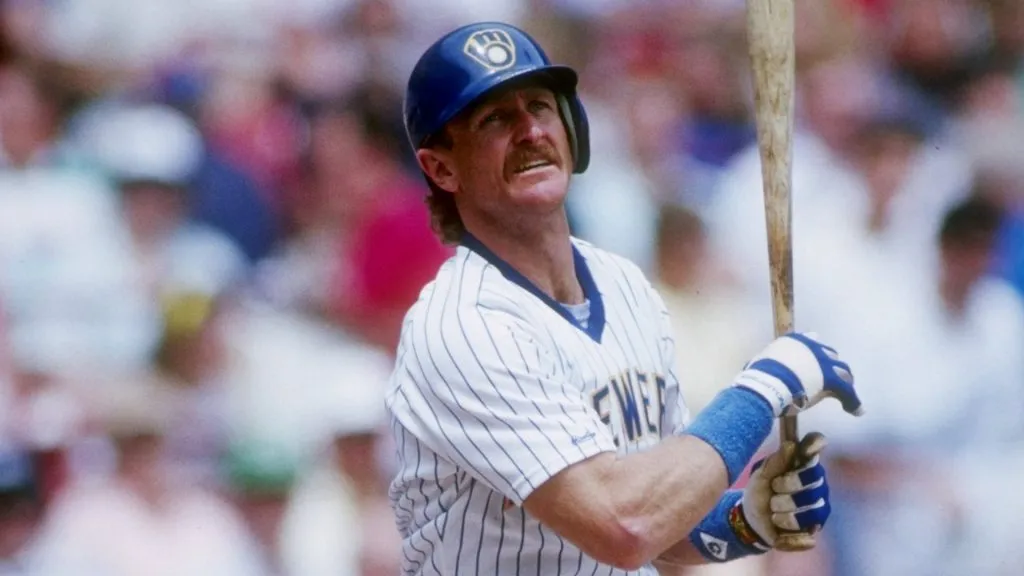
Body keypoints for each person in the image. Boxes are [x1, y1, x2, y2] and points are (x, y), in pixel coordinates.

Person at [386, 21, 863, 575]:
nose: (530, 131)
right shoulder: (463, 325)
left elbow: (661, 517)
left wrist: (743, 522)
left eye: (539, 106)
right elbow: (623, 525)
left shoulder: (624, 285)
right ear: (441, 167)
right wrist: (762, 392)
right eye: (495, 118)